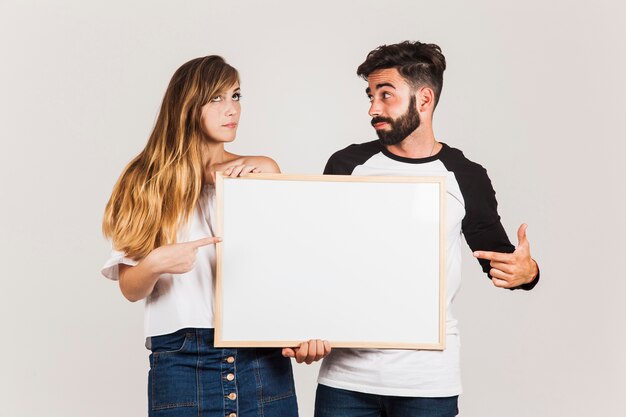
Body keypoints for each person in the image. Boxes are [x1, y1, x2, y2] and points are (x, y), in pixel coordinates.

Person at [315, 41, 540, 417]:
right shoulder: (347, 165)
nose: (373, 108)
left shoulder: (465, 175)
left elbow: (502, 262)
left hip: (427, 382)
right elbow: (315, 257)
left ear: (424, 98)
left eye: (385, 95)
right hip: (345, 380)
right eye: (370, 96)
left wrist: (527, 272)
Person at [101, 55, 330, 417]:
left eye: (236, 96)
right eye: (216, 98)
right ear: (187, 104)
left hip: (260, 354)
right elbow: (130, 288)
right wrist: (159, 261)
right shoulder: (145, 180)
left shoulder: (259, 169)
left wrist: (302, 329)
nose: (231, 109)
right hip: (181, 358)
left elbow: (284, 265)